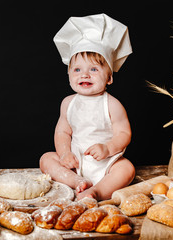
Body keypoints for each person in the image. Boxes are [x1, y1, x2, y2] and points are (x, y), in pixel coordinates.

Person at [40, 14, 135, 200]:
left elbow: (124, 134)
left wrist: (108, 148)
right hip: (74, 162)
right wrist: (65, 153)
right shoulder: (68, 103)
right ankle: (76, 181)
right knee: (46, 159)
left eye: (93, 69)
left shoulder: (112, 104)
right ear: (69, 76)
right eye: (77, 70)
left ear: (109, 78)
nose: (84, 75)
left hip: (106, 163)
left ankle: (97, 191)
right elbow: (62, 133)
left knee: (127, 169)